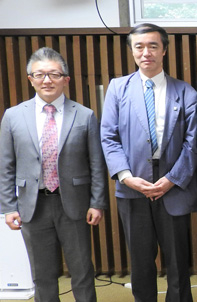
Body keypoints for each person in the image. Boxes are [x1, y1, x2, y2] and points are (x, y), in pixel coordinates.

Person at [100, 23, 197, 302]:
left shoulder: (185, 91)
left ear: (164, 50)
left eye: (153, 46)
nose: (146, 52)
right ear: (132, 51)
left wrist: (171, 179)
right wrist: (124, 175)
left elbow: (193, 144)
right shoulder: (118, 88)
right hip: (133, 184)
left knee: (178, 261)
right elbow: (108, 136)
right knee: (141, 261)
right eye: (139, 46)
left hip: (174, 183)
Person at [0, 47, 107, 302]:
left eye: (54, 74)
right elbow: (6, 166)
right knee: (42, 274)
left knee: (82, 271)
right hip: (32, 206)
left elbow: (96, 164)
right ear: (30, 79)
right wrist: (8, 207)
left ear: (66, 79)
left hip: (74, 204)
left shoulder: (85, 115)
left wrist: (97, 202)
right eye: (39, 75)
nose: (46, 80)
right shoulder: (13, 116)